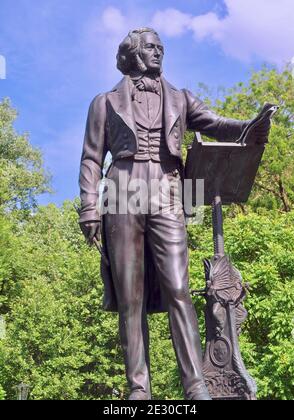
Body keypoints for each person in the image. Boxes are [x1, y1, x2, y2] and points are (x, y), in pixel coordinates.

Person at [79, 28, 269, 400]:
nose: (158, 53)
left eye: (161, 49)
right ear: (133, 54)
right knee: (129, 295)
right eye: (151, 48)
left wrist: (251, 126)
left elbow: (214, 123)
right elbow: (90, 156)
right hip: (121, 190)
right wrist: (89, 206)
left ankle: (196, 384)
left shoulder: (180, 98)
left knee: (179, 288)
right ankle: (138, 388)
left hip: (167, 188)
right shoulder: (104, 102)